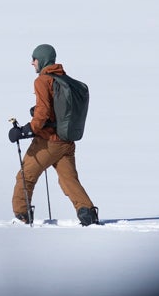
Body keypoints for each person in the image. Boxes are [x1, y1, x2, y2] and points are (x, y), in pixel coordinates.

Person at [8, 43, 99, 226]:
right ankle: (88, 214)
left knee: (25, 177)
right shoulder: (63, 79)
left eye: (34, 59)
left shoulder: (42, 80)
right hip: (67, 141)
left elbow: (42, 115)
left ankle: (21, 216)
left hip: (49, 141)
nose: (32, 63)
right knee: (69, 180)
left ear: (41, 60)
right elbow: (52, 110)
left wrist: (24, 131)